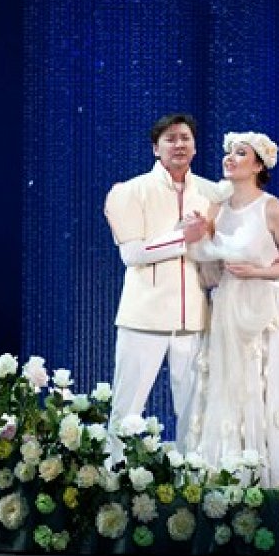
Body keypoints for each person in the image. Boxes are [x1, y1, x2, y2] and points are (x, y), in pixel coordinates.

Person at [183, 131, 279, 489]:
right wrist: (197, 236)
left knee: (267, 384)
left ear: (257, 165)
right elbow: (208, 260)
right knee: (231, 385)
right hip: (229, 304)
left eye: (240, 153)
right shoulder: (216, 208)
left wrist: (260, 272)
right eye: (229, 152)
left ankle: (275, 474)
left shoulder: (270, 207)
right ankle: (230, 470)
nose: (230, 158)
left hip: (266, 306)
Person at [103, 113, 228, 466]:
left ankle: (192, 479)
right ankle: (114, 476)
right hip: (144, 316)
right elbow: (132, 254)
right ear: (156, 148)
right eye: (170, 139)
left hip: (193, 318)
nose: (179, 144)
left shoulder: (210, 193)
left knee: (194, 411)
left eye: (185, 138)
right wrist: (181, 237)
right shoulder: (131, 191)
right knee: (127, 407)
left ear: (195, 146)